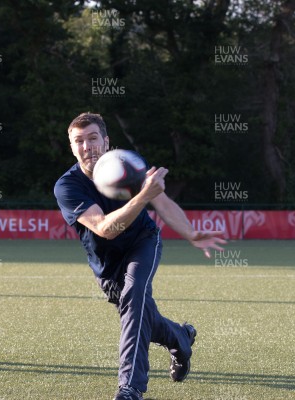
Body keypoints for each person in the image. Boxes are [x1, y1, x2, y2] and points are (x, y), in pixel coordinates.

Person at [54, 112, 226, 399]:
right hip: (107, 265)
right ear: (72, 147)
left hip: (142, 242)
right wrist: (142, 196)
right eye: (79, 141)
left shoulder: (129, 165)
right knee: (144, 315)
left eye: (93, 138)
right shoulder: (68, 186)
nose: (87, 146)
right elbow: (105, 229)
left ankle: (131, 387)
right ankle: (181, 337)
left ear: (106, 141)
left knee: (135, 300)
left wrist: (191, 233)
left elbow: (162, 201)